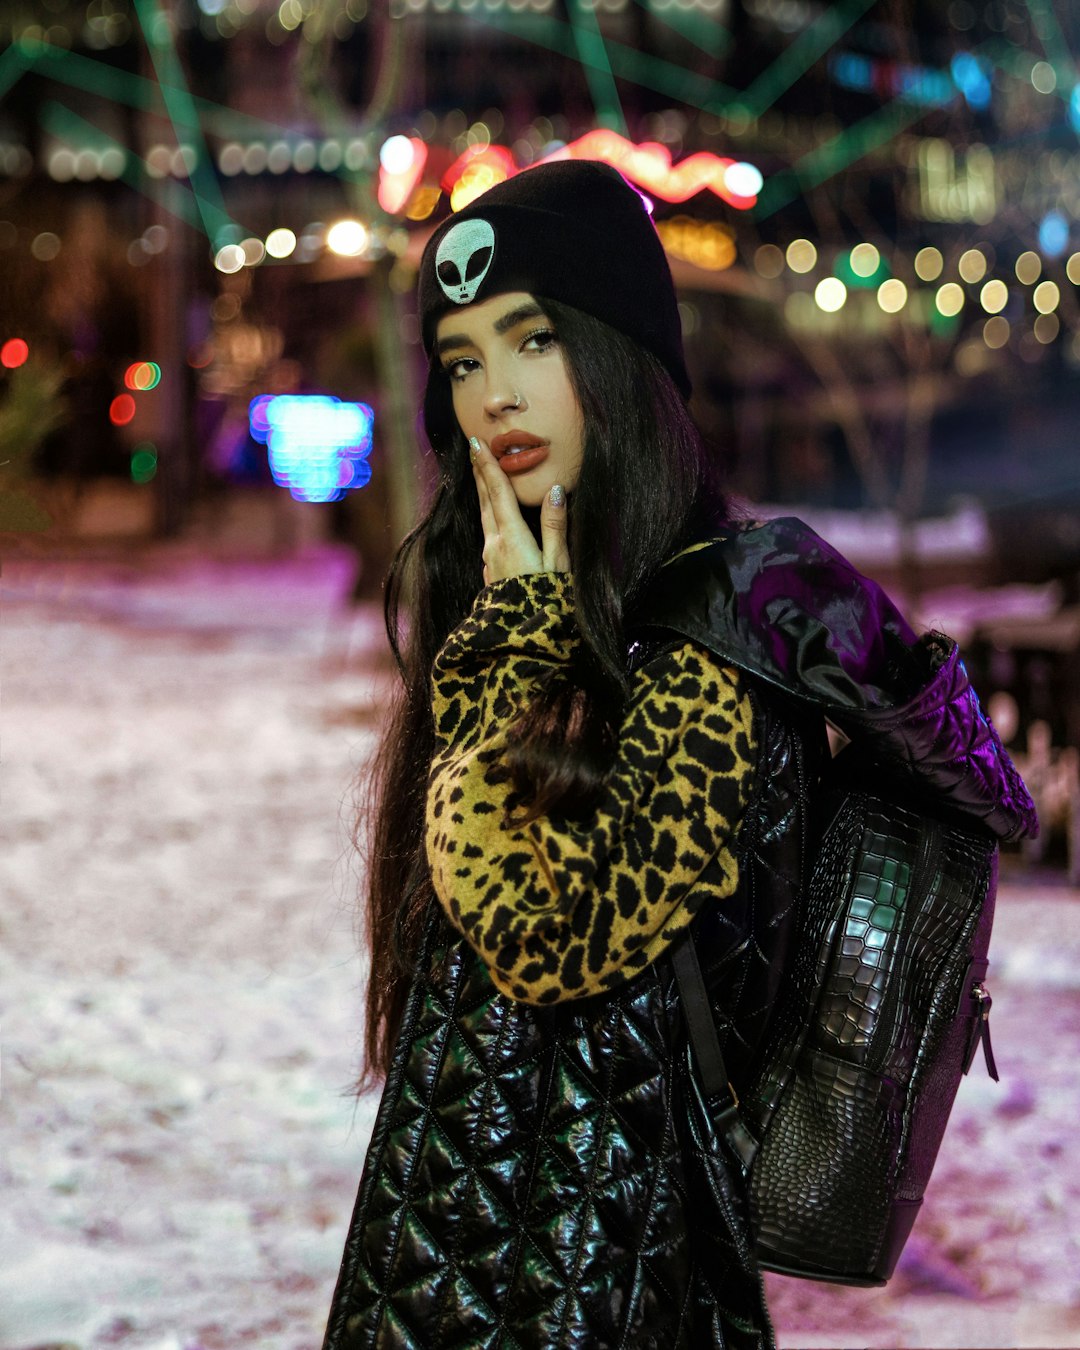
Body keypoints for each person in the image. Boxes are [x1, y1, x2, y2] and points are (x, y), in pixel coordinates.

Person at [322, 161, 1035, 1349]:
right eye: (462, 361)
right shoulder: (563, 609)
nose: (495, 397)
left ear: (618, 356)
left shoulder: (709, 635)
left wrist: (506, 658)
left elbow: (551, 935)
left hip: (602, 1277)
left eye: (532, 343)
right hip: (476, 1248)